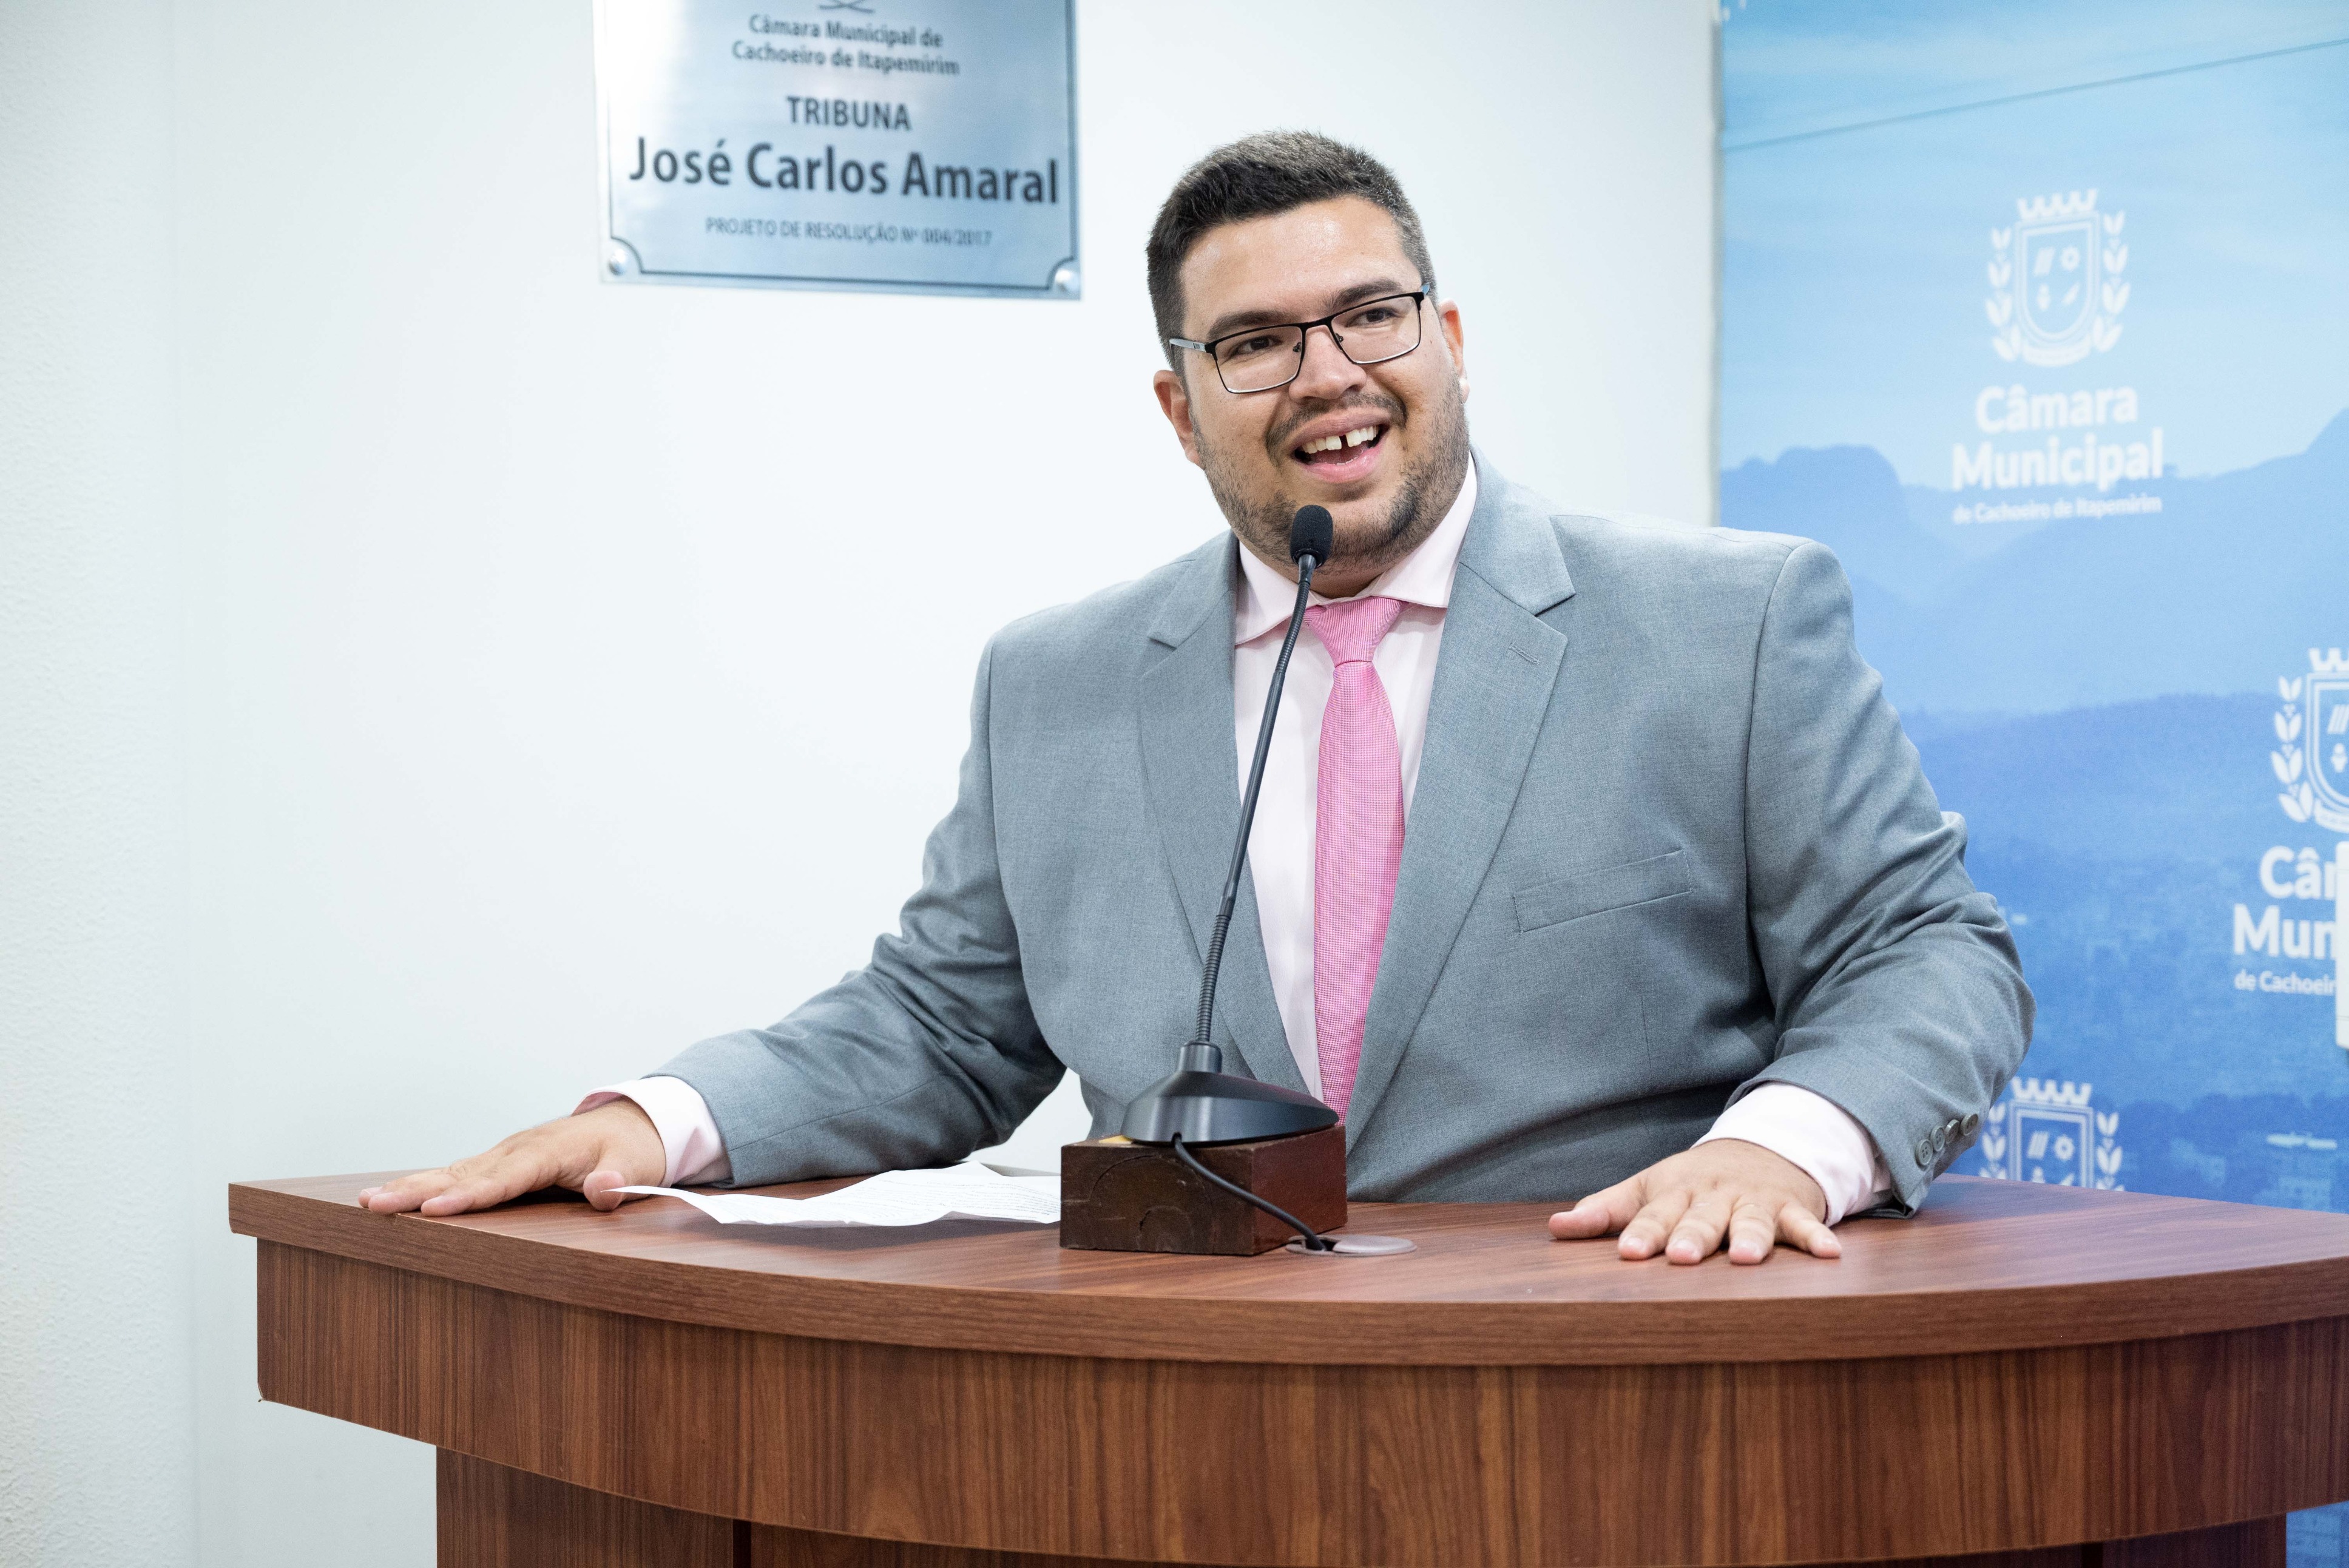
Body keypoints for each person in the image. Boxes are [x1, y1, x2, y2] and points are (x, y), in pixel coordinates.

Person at [362, 132, 2030, 1265]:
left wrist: (1784, 1147)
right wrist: (651, 1122)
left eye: (1371, 315)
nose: (1329, 374)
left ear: (1449, 337)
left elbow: (1926, 954)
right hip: (1175, 1411)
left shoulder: (1730, 622)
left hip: (1607, 1373)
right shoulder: (1054, 683)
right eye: (1255, 343)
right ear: (1179, 405)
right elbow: (945, 1024)